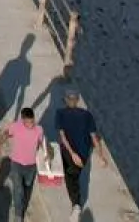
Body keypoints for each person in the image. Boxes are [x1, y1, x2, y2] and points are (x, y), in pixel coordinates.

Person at [55, 89, 107, 220]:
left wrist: (72, 153)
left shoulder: (60, 113)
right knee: (75, 175)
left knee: (70, 178)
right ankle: (76, 204)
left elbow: (62, 136)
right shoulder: (87, 114)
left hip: (69, 152)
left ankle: (76, 205)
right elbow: (94, 137)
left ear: (66, 100)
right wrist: (101, 156)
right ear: (77, 100)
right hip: (83, 153)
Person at [0, 107, 48, 222]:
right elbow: (6, 134)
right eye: (28, 122)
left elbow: (42, 142)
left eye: (32, 121)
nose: (31, 124)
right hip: (16, 164)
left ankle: (22, 205)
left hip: (31, 165)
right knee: (18, 190)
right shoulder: (16, 127)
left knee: (27, 188)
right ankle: (18, 216)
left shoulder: (39, 129)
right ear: (23, 121)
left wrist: (46, 153)